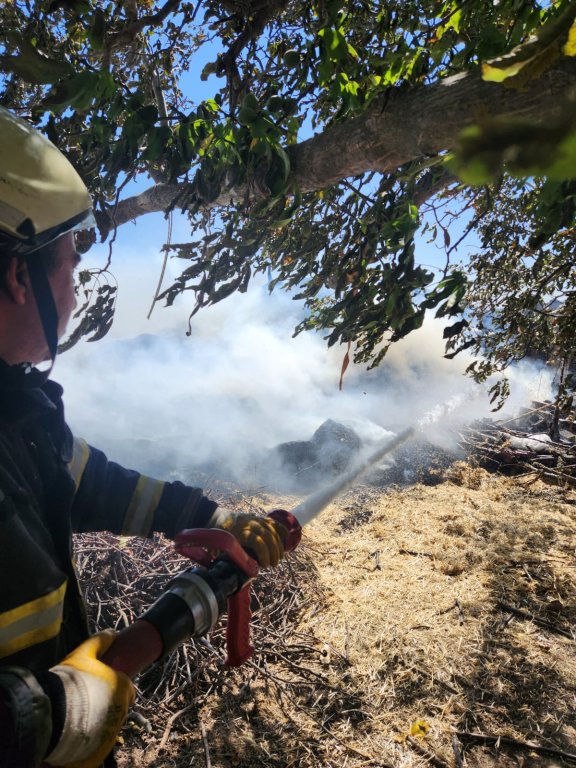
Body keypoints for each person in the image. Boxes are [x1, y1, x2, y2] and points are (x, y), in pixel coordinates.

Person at [0, 106, 287, 768]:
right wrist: (63, 709)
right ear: (19, 278)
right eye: (69, 267)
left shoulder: (15, 411)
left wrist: (212, 517)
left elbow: (90, 482)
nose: (75, 293)